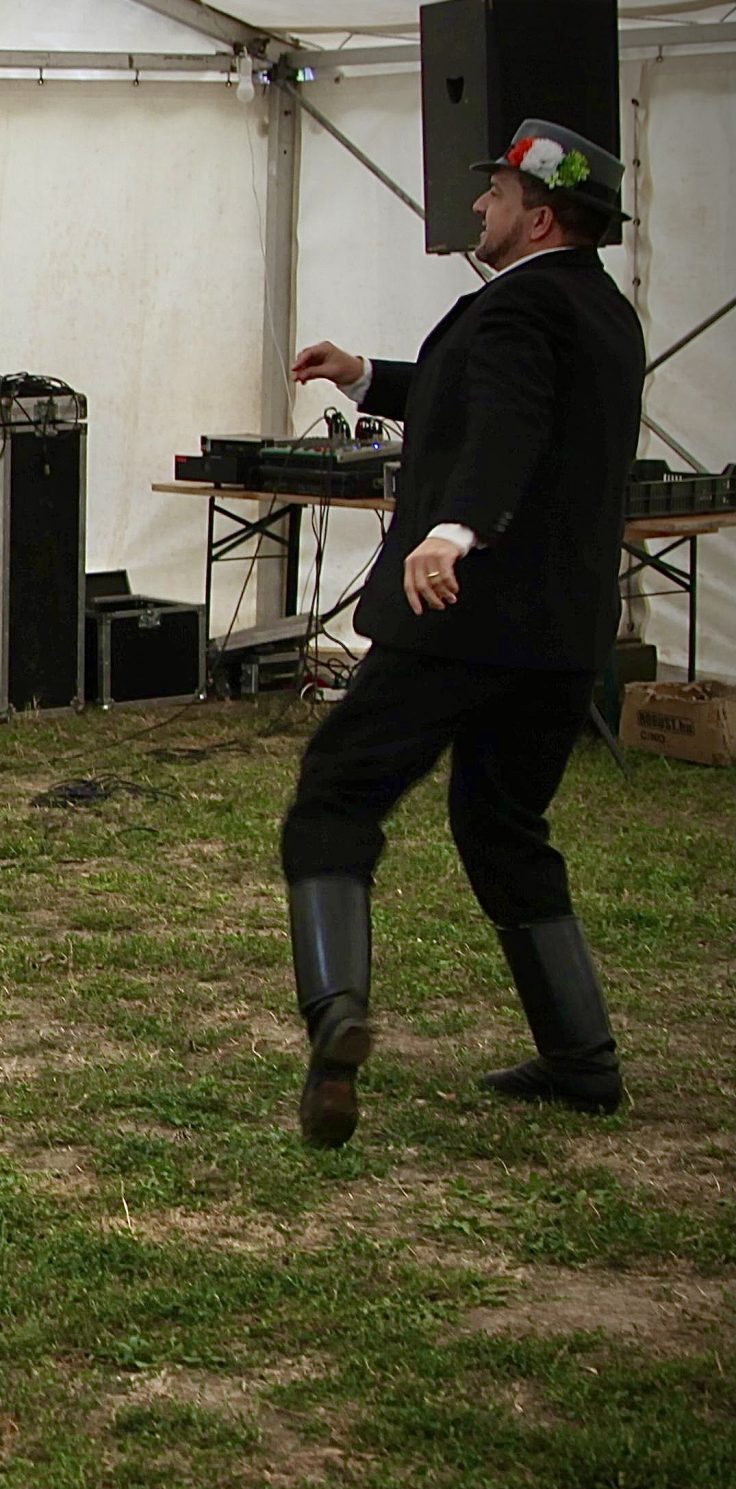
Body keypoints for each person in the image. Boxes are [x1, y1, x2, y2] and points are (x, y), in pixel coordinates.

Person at [282, 118, 644, 1148]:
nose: (480, 206)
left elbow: (506, 427)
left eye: (496, 195)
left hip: (461, 619)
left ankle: (336, 1014)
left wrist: (452, 531)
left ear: (540, 217)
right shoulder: (600, 311)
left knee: (334, 797)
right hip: (560, 637)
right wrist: (365, 375)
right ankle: (582, 1058)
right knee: (502, 826)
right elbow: (480, 395)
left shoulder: (517, 307)